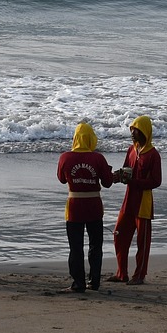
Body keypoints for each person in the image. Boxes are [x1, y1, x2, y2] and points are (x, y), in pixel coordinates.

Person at [57, 122, 113, 292]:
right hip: (94, 207)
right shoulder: (98, 158)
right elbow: (108, 182)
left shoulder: (65, 158)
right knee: (95, 246)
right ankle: (94, 282)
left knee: (75, 247)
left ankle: (78, 283)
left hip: (74, 207)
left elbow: (61, 179)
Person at [109, 115, 162, 285]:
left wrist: (134, 182)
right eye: (131, 130)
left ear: (144, 132)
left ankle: (139, 275)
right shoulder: (131, 150)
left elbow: (156, 181)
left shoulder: (153, 155)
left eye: (136, 131)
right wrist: (114, 177)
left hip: (143, 203)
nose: (132, 133)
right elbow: (126, 170)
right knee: (119, 235)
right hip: (128, 201)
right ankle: (121, 273)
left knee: (142, 242)